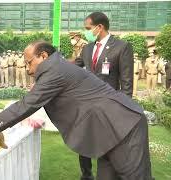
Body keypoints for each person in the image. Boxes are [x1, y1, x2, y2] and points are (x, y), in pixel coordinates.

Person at [0, 41, 153, 180]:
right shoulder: (55, 69)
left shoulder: (55, 70)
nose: (27, 68)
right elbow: (29, 104)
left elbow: (25, 106)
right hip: (107, 133)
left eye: (29, 62)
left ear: (43, 56)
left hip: (124, 127)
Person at [75, 12, 134, 179]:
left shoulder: (122, 47)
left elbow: (127, 84)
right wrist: (52, 63)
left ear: (99, 27)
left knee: (106, 145)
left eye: (88, 28)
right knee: (83, 143)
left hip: (109, 107)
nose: (85, 31)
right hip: (87, 106)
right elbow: (73, 66)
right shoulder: (87, 48)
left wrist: (123, 111)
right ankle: (86, 175)